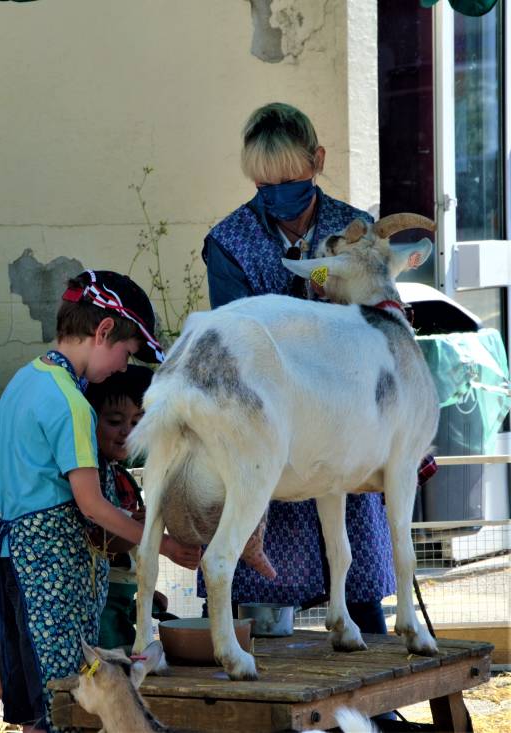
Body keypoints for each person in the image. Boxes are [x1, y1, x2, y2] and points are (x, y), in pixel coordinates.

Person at [198, 102, 394, 633]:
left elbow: (376, 323)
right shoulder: (229, 241)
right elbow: (234, 338)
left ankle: (376, 712)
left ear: (317, 161)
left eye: (288, 178)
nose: (277, 192)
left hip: (344, 423)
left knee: (355, 579)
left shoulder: (355, 230)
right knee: (261, 595)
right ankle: (266, 703)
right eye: (264, 182)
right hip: (271, 423)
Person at [0, 270, 200, 732]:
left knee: (35, 704)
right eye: (126, 353)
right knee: (68, 698)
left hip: (10, 558)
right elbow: (93, 506)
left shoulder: (24, 380)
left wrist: (31, 493)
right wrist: (168, 546)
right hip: (54, 573)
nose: (121, 367)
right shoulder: (72, 403)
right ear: (101, 332)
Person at [84, 366, 175, 651]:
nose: (127, 432)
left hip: (124, 599)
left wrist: (145, 593)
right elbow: (102, 540)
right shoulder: (89, 476)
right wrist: (147, 531)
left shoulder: (122, 477)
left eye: (138, 422)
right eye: (114, 421)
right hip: (101, 604)